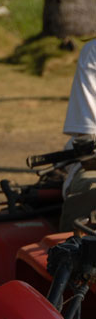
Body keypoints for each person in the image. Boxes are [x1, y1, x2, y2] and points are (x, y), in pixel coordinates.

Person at [59, 38, 96, 232]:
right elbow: (86, 140)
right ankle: (68, 257)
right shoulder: (94, 53)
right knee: (90, 195)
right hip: (93, 163)